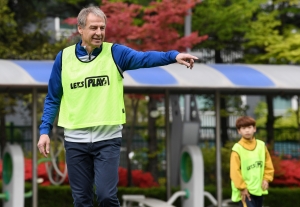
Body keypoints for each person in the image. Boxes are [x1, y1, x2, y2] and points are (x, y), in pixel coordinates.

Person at [37, 5, 198, 207]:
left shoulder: (115, 53)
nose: (99, 33)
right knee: (81, 200)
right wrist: (45, 131)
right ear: (80, 29)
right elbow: (53, 98)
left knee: (105, 196)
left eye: (102, 28)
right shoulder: (63, 58)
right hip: (75, 141)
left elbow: (144, 58)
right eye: (94, 28)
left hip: (108, 139)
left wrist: (173, 56)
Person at [230, 116, 274, 207]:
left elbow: (268, 164)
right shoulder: (237, 149)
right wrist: (242, 188)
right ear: (239, 131)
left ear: (254, 129)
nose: (247, 130)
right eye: (243, 128)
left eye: (249, 127)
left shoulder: (261, 145)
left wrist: (266, 178)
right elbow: (234, 171)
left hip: (259, 189)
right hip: (245, 192)